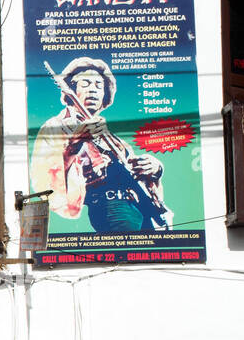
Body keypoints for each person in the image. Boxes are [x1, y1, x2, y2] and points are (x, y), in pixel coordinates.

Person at [30, 56, 167, 233]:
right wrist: (74, 145)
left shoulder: (115, 139)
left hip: (142, 208)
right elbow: (45, 180)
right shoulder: (56, 127)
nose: (93, 90)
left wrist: (156, 169)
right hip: (112, 208)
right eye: (85, 83)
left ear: (105, 95)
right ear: (71, 89)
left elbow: (136, 175)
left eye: (98, 85)